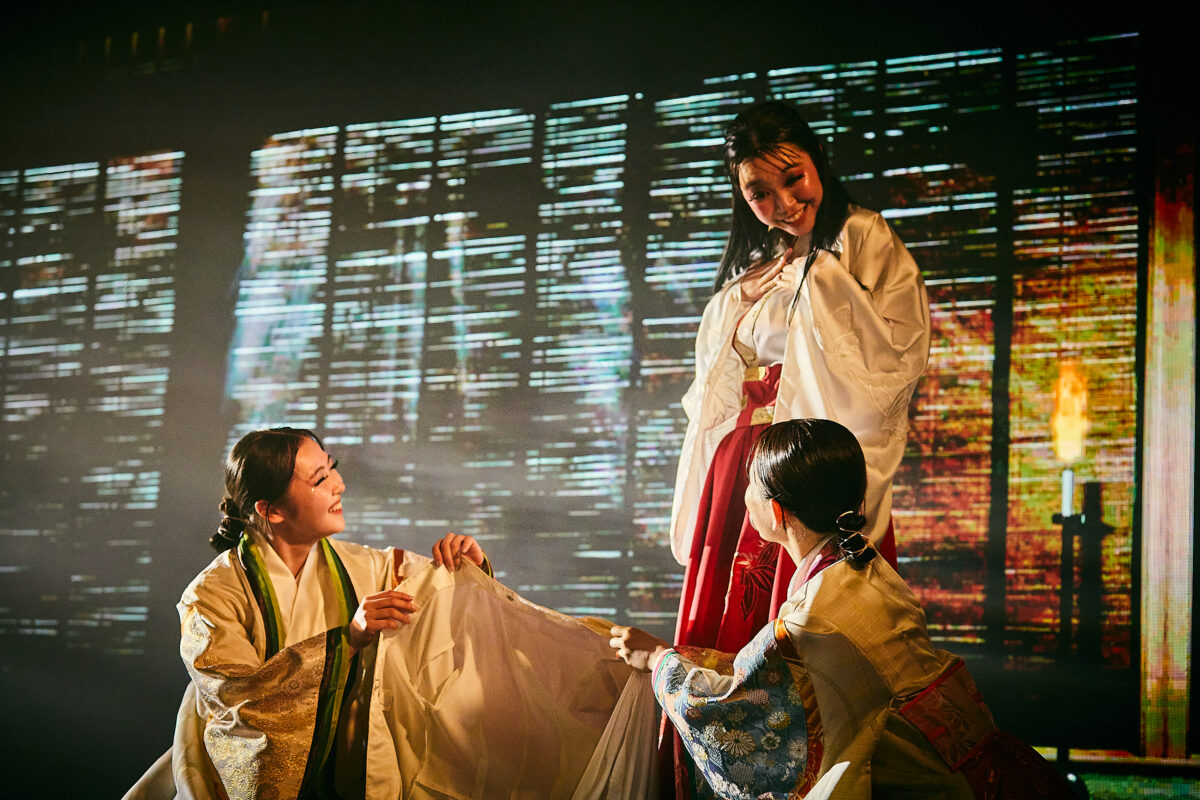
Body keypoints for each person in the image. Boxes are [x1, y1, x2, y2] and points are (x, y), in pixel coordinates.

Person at [125, 427, 657, 800]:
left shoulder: (366, 566)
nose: (338, 486)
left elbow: (440, 601)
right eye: (318, 480)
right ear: (270, 510)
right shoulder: (212, 595)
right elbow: (239, 695)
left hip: (350, 769)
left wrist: (468, 569)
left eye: (332, 470)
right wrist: (349, 638)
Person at [615, 419, 1073, 800]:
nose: (744, 493)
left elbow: (731, 711)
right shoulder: (866, 566)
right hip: (988, 769)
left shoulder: (808, 620)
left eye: (751, 483)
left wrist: (659, 660)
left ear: (775, 511)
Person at [669, 100, 931, 657]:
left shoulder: (862, 235)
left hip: (808, 460)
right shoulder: (756, 260)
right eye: (759, 193)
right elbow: (715, 375)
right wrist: (734, 303)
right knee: (727, 616)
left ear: (818, 162)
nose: (784, 203)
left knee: (806, 627)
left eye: (794, 179)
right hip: (741, 462)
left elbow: (899, 351)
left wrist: (820, 280)